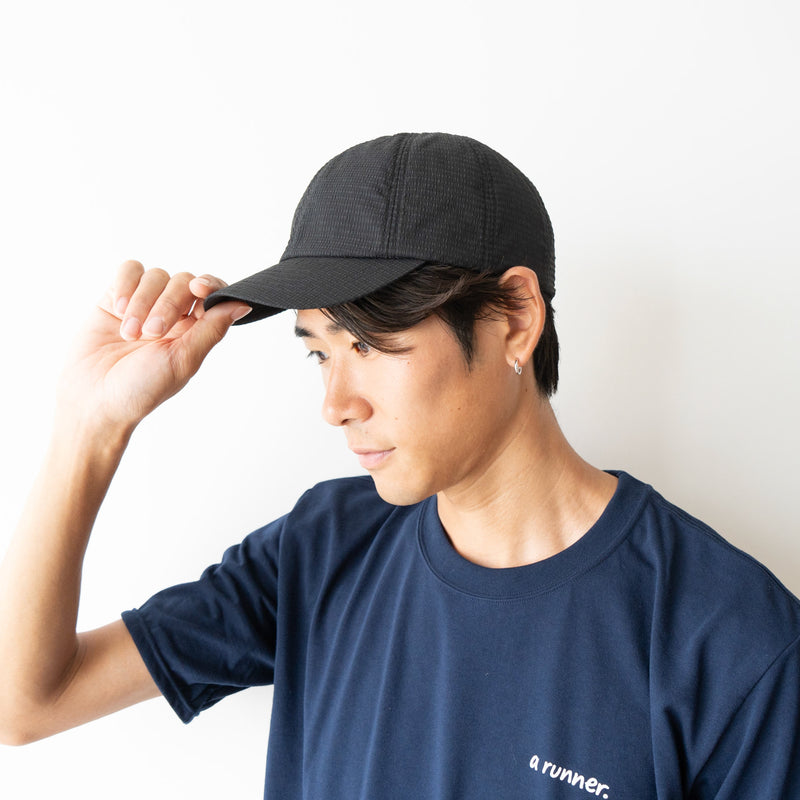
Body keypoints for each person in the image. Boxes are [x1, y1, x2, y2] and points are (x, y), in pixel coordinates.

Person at [0, 132, 798, 799]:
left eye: (371, 344)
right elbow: (25, 703)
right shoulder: (322, 547)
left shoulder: (731, 639)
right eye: (320, 352)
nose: (335, 404)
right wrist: (90, 426)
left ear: (516, 319)